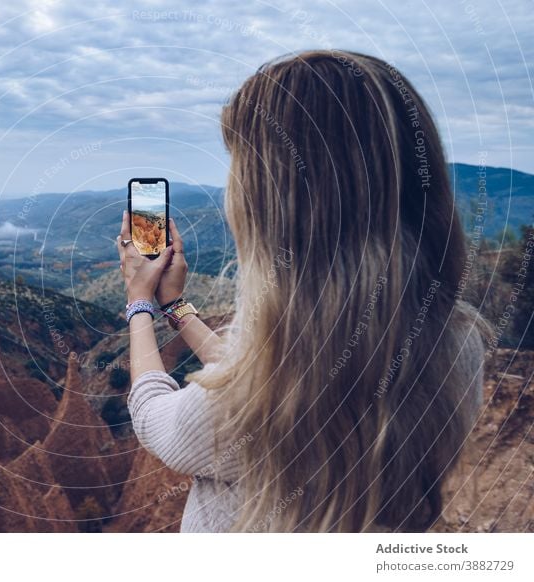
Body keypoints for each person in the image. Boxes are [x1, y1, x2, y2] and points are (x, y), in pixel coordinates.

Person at [115, 50, 488, 532]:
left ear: (275, 208)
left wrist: (138, 301)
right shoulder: (457, 348)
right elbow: (254, 376)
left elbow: (155, 417)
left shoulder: (260, 404)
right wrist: (176, 306)